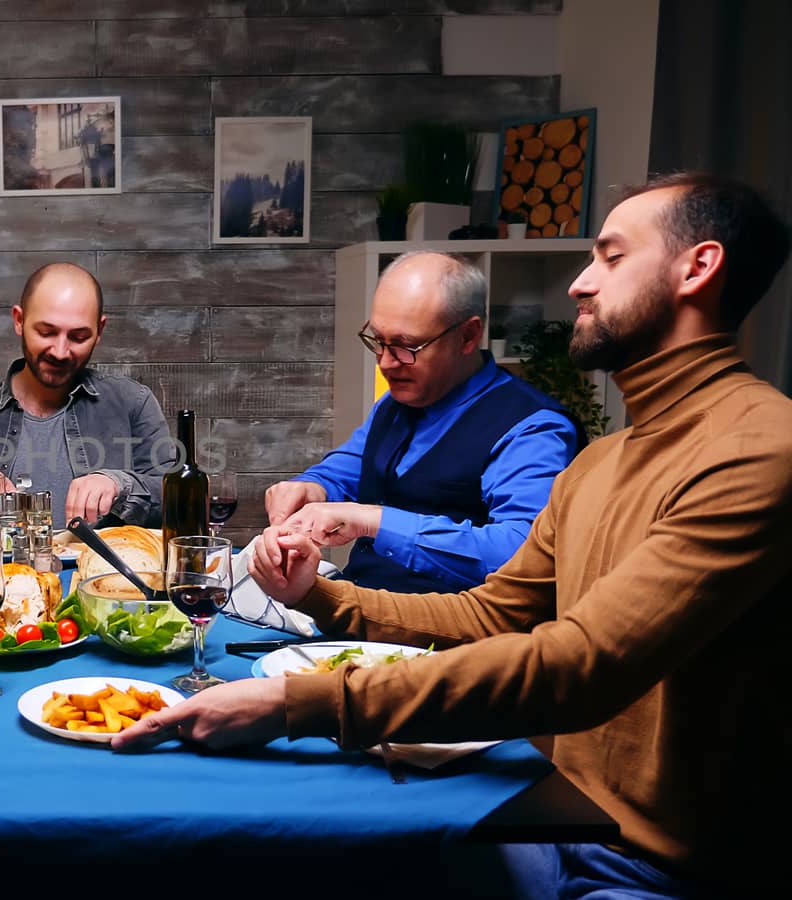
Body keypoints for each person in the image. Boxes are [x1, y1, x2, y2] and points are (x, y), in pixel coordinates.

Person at [116, 173, 792, 897]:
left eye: (611, 257)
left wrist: (297, 706)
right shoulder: (606, 458)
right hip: (536, 806)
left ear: (700, 267)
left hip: (648, 865)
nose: (579, 284)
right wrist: (320, 598)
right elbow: (491, 614)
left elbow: (580, 663)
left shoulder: (759, 450)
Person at [265, 251, 579, 593]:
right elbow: (352, 465)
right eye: (378, 340)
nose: (386, 362)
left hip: (454, 636)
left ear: (468, 336)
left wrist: (373, 522)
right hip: (360, 612)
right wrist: (314, 486)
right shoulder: (398, 399)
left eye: (406, 346)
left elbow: (521, 552)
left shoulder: (533, 428)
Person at [0, 262, 172, 525]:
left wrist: (119, 485)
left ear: (99, 331)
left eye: (78, 337)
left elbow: (177, 501)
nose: (60, 351)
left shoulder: (133, 403)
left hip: (102, 567)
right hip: (2, 568)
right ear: (19, 321)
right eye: (46, 332)